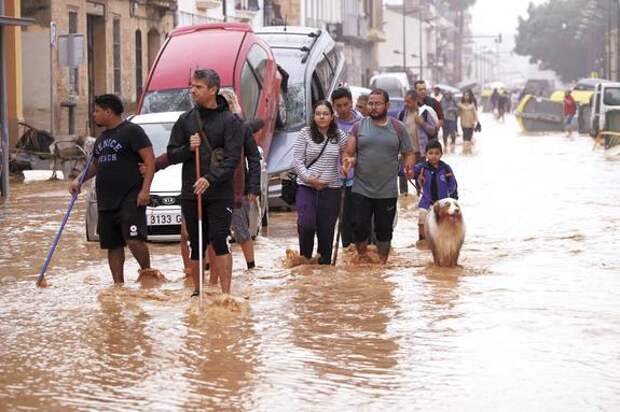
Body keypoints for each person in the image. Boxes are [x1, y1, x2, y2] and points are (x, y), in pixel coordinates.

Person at [167, 68, 242, 297]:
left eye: (198, 87)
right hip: (192, 191)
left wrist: (210, 179)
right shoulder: (185, 120)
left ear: (213, 89)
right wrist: (188, 148)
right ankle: (197, 292)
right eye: (192, 86)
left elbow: (232, 159)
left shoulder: (230, 121)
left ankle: (226, 294)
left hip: (219, 192)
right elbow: (172, 154)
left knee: (219, 238)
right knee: (195, 241)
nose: (193, 91)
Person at [69, 94, 156, 284]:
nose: (94, 115)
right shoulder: (101, 139)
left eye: (97, 111)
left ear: (108, 112)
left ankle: (147, 274)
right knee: (112, 244)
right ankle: (118, 285)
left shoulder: (133, 131)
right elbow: (95, 165)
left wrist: (145, 190)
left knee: (133, 239)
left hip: (131, 196)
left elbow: (150, 160)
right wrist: (79, 180)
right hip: (107, 199)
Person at [342, 89, 415, 264]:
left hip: (387, 190)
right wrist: (347, 161)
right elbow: (348, 151)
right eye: (371, 104)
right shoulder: (358, 126)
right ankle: (362, 258)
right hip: (361, 187)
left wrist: (409, 166)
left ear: (387, 105)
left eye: (378, 103)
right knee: (359, 226)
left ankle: (382, 263)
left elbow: (408, 152)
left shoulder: (398, 128)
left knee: (384, 230)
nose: (373, 107)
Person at [293, 100, 348, 264]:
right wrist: (310, 179)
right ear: (313, 116)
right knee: (306, 224)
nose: (321, 117)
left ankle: (324, 269)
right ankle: (305, 262)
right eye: (318, 114)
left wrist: (345, 165)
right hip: (306, 187)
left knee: (327, 231)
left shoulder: (339, 135)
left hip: (331, 190)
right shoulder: (305, 133)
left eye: (325, 114)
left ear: (332, 117)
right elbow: (297, 162)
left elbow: (346, 154)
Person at [331, 87, 362, 248]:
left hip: (358, 180)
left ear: (351, 103)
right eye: (338, 106)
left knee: (359, 220)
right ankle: (347, 252)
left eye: (345, 104)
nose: (342, 109)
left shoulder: (362, 123)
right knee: (343, 220)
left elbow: (366, 151)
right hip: (337, 180)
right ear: (334, 106)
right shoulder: (330, 125)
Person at [413, 140, 458, 243]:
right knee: (422, 220)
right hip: (426, 202)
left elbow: (452, 184)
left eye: (437, 153)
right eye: (431, 153)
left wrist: (452, 196)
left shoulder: (446, 168)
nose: (434, 156)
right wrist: (400, 170)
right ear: (426, 154)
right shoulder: (422, 168)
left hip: (442, 203)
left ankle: (444, 241)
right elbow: (410, 172)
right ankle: (422, 240)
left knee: (443, 222)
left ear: (441, 154)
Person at [398, 89, 436, 194]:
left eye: (408, 101)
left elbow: (433, 130)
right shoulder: (402, 114)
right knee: (403, 177)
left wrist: (422, 123)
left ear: (416, 101)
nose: (406, 104)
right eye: (405, 101)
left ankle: (419, 199)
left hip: (420, 152)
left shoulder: (424, 113)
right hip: (405, 152)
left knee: (420, 178)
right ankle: (404, 201)